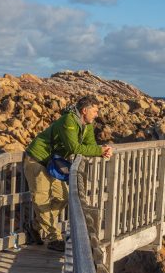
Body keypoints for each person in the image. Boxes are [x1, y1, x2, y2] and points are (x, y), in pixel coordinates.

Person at [24, 95, 113, 250]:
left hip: (54, 163)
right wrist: (99, 151)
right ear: (85, 110)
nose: (97, 114)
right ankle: (54, 239)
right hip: (37, 159)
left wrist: (101, 150)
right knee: (41, 198)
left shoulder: (87, 125)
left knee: (63, 196)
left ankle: (35, 226)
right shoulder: (69, 120)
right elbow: (74, 148)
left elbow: (91, 145)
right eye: (95, 110)